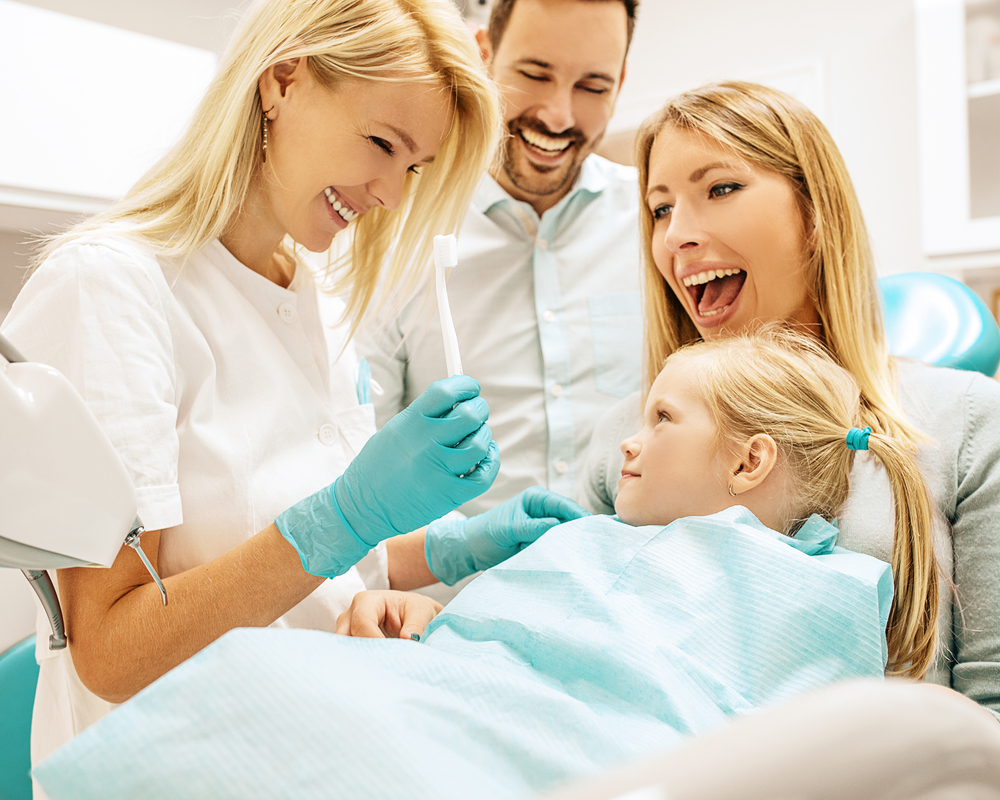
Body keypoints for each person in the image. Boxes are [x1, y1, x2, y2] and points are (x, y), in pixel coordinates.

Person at [0, 0, 591, 776]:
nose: (391, 193)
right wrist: (347, 515)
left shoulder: (318, 296)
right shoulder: (113, 291)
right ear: (282, 81)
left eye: (412, 167)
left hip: (315, 746)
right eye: (381, 143)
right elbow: (111, 651)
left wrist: (447, 546)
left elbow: (308, 556)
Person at [33, 326, 967, 800]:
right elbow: (514, 654)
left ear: (749, 461)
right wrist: (433, 617)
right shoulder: (602, 542)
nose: (629, 448)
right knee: (256, 672)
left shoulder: (815, 588)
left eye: (663, 421)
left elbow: (755, 730)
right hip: (453, 705)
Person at [579, 80, 1000, 713]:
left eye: (720, 188)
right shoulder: (625, 442)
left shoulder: (965, 420)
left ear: (814, 213)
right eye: (660, 208)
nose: (675, 237)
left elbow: (990, 702)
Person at [358, 0, 643, 523]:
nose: (559, 116)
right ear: (483, 54)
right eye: (536, 75)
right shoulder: (393, 230)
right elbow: (360, 455)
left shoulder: (659, 226)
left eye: (593, 87)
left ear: (621, 82)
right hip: (454, 598)